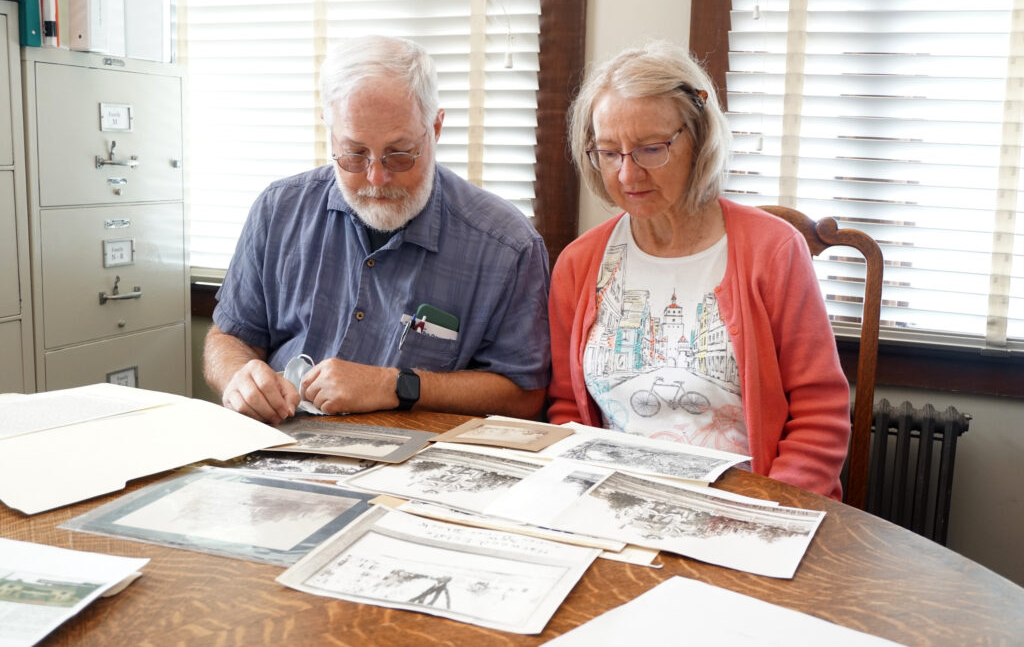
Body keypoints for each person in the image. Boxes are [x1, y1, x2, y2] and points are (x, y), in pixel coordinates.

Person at [547, 41, 850, 499]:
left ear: (699, 138)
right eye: (609, 153)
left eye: (651, 149)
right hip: (616, 501)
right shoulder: (580, 263)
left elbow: (818, 413)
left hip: (749, 503)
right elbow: (568, 409)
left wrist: (765, 510)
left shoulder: (773, 250)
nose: (628, 176)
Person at [205, 35, 551, 424]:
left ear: (435, 128)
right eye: (354, 154)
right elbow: (229, 336)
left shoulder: (506, 245)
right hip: (284, 441)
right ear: (329, 132)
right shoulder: (278, 209)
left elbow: (524, 395)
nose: (376, 177)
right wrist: (240, 377)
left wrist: (397, 386)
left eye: (399, 154)